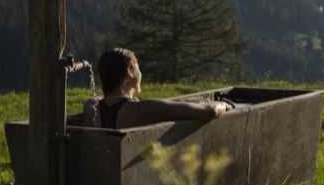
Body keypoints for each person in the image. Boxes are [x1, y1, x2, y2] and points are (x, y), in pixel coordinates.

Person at [90, 48, 233, 129]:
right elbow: (210, 111)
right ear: (129, 73)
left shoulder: (92, 107)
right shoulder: (138, 109)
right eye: (138, 67)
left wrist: (192, 100)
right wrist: (224, 105)